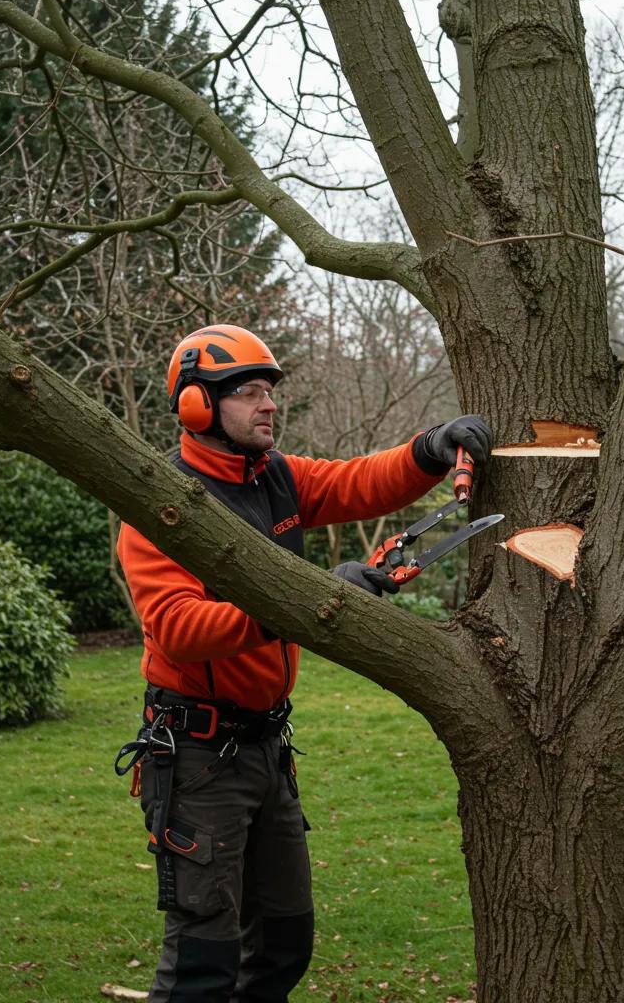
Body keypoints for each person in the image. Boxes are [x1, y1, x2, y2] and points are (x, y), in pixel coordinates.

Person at [115, 324, 492, 1003]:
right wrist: (303, 601)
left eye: (270, 392)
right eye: (250, 393)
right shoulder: (159, 507)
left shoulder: (276, 478)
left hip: (264, 747)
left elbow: (358, 482)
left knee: (286, 944)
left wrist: (431, 450)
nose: (269, 405)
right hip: (197, 757)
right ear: (198, 406)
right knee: (203, 960)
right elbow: (177, 629)